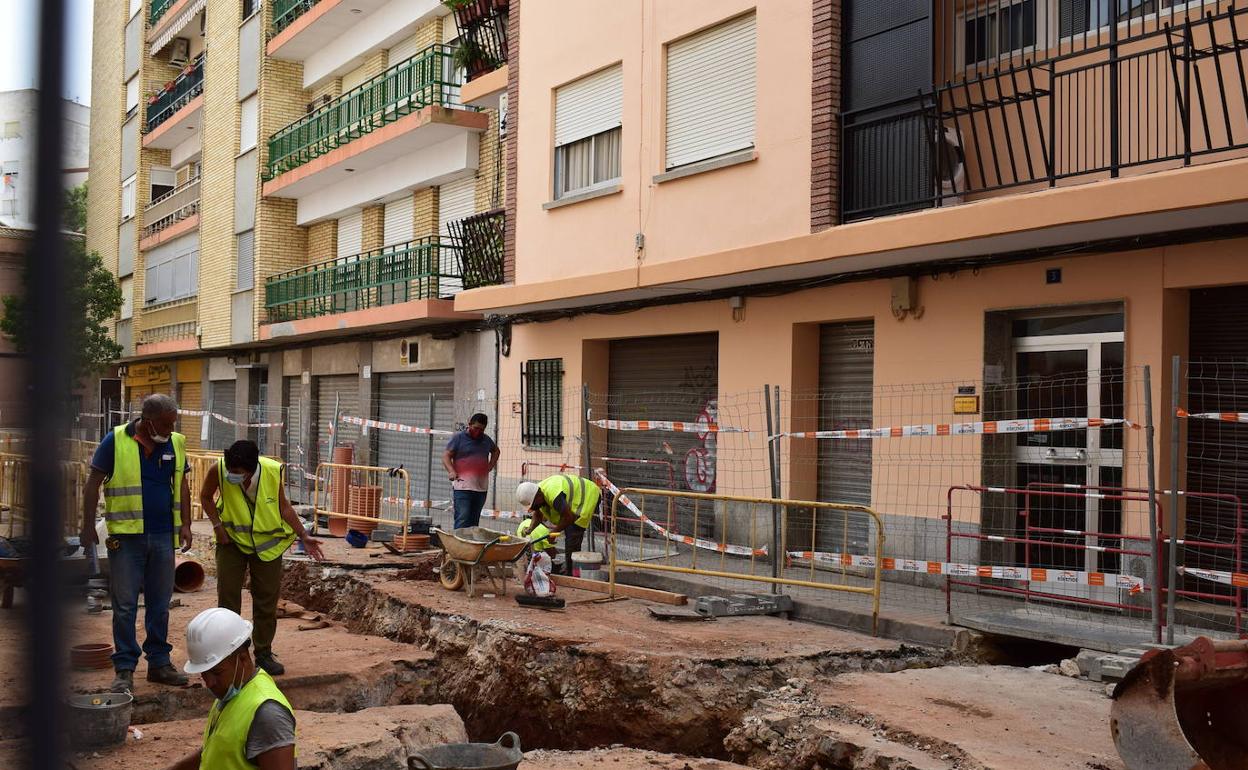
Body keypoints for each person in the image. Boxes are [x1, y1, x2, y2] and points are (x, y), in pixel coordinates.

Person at [81, 393, 191, 693]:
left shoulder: (175, 443)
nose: (169, 430)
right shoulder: (115, 441)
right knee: (125, 606)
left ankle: (159, 663)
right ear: (147, 419)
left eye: (172, 424)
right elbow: (92, 483)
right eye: (166, 424)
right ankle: (125, 668)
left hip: (162, 536)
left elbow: (182, 483)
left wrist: (186, 525)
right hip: (126, 539)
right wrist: (87, 525)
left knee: (160, 604)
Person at [199, 440, 325, 677]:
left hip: (266, 547)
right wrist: (217, 526)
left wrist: (303, 535)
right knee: (228, 597)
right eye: (231, 471)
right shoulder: (219, 469)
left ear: (251, 467)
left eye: (238, 472)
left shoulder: (270, 471)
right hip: (231, 542)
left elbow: (283, 507)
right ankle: (233, 652)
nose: (233, 476)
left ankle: (264, 653)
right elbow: (205, 496)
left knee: (266, 600)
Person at [167, 607, 297, 770]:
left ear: (242, 658)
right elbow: (218, 748)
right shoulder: (232, 691)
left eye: (216, 672)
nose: (209, 682)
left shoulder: (268, 714)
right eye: (203, 673)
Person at [515, 475, 601, 573]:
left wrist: (554, 532)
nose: (534, 507)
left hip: (587, 496)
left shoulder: (554, 495)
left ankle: (572, 574)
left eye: (534, 504)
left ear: (537, 496)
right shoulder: (536, 492)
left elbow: (569, 517)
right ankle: (570, 569)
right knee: (569, 532)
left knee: (572, 535)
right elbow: (538, 514)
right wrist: (530, 529)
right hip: (574, 499)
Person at [441, 413, 500, 529]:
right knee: (463, 518)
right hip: (463, 487)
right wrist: (451, 471)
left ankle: (470, 544)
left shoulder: (486, 440)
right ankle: (458, 544)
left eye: (481, 429)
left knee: (474, 521)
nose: (478, 432)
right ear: (469, 424)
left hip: (480, 488)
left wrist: (491, 465)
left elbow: (496, 451)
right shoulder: (458, 438)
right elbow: (446, 456)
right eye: (476, 428)